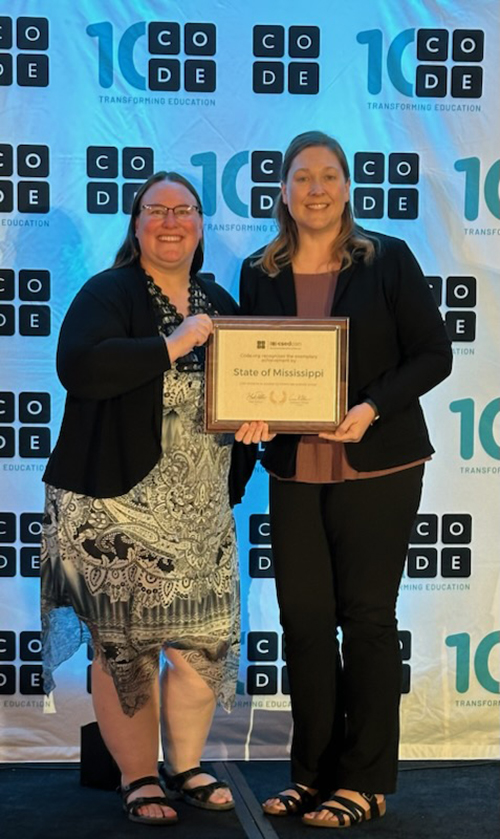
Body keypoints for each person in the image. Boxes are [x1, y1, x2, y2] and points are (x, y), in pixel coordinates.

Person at [236, 131, 452, 829]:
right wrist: (252, 415)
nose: (317, 189)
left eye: (329, 176)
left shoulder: (387, 257)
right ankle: (313, 771)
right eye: (303, 177)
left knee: (365, 620)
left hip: (378, 462)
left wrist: (370, 407)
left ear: (349, 188)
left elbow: (434, 353)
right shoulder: (257, 270)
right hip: (295, 468)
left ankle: (365, 779)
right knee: (302, 624)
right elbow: (254, 368)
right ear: (283, 191)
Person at [41, 170, 249, 826]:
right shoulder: (107, 292)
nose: (170, 222)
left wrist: (259, 418)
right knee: (125, 650)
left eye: (183, 211)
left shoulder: (220, 299)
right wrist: (173, 343)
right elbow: (80, 365)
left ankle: (184, 765)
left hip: (201, 515)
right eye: (156, 211)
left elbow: (250, 387)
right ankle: (139, 776)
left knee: (200, 645)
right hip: (113, 511)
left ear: (199, 225)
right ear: (135, 226)